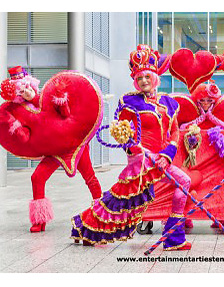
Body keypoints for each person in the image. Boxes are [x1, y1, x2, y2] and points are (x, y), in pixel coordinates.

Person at [70, 45, 192, 250]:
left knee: (184, 181)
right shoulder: (129, 102)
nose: (144, 81)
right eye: (140, 78)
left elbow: (174, 133)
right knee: (122, 203)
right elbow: (123, 134)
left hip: (161, 160)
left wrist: (166, 156)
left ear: (155, 76)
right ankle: (85, 227)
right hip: (141, 161)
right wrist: (136, 150)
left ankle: (174, 237)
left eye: (147, 76)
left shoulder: (169, 104)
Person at [1, 66, 103, 233]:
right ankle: (40, 219)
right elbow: (24, 136)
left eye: (26, 87)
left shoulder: (47, 96)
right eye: (21, 91)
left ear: (31, 84)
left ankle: (102, 209)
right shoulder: (20, 111)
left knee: (89, 176)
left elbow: (65, 114)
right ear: (17, 95)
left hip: (73, 145)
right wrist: (19, 130)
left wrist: (61, 97)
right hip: (53, 151)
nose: (26, 92)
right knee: (37, 178)